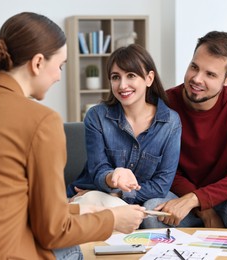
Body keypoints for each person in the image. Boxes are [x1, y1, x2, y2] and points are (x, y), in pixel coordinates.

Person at [0, 12, 146, 259]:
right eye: (59, 66)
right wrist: (112, 219)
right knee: (72, 250)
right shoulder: (42, 121)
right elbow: (53, 232)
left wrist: (76, 210)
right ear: (38, 62)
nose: (59, 76)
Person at [143, 31, 227, 231]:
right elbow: (162, 168)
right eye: (194, 67)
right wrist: (204, 211)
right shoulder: (165, 103)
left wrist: (196, 199)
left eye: (210, 74)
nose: (197, 79)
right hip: (180, 196)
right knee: (152, 209)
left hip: (225, 197)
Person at [66, 44, 181, 216]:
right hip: (92, 195)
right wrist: (113, 178)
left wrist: (119, 194)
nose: (122, 85)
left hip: (117, 199)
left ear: (149, 78)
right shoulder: (97, 116)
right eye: (115, 77)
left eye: (131, 75)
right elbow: (98, 171)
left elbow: (161, 185)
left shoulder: (170, 123)